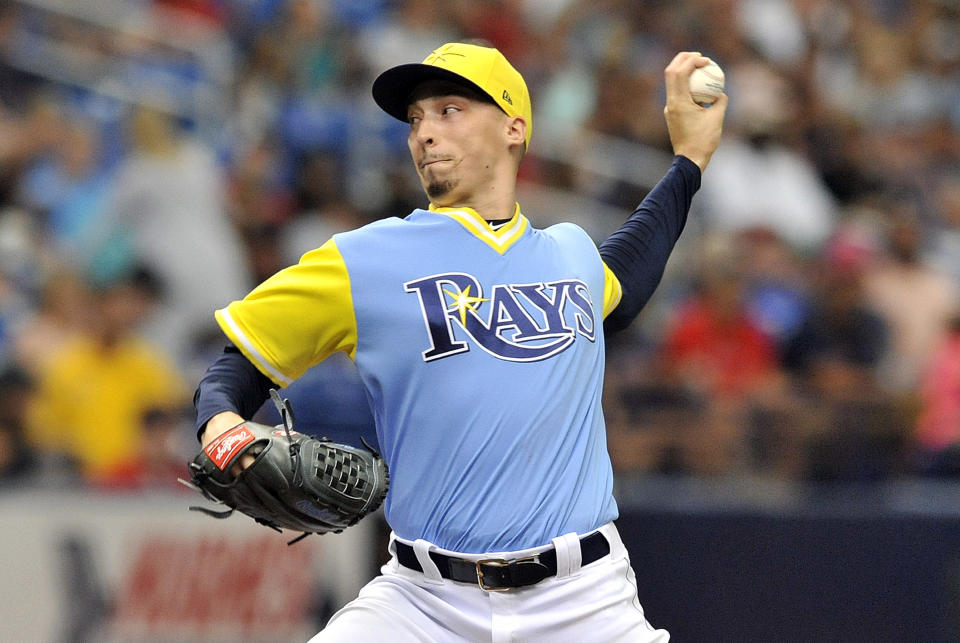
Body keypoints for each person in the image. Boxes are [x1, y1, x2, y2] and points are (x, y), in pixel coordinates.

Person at [193, 42, 726, 641]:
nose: (424, 132)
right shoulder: (363, 259)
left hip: (585, 601)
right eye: (416, 119)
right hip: (423, 602)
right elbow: (234, 371)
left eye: (449, 110)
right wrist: (219, 425)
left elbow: (628, 275)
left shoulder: (571, 251)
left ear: (513, 127)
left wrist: (689, 160)